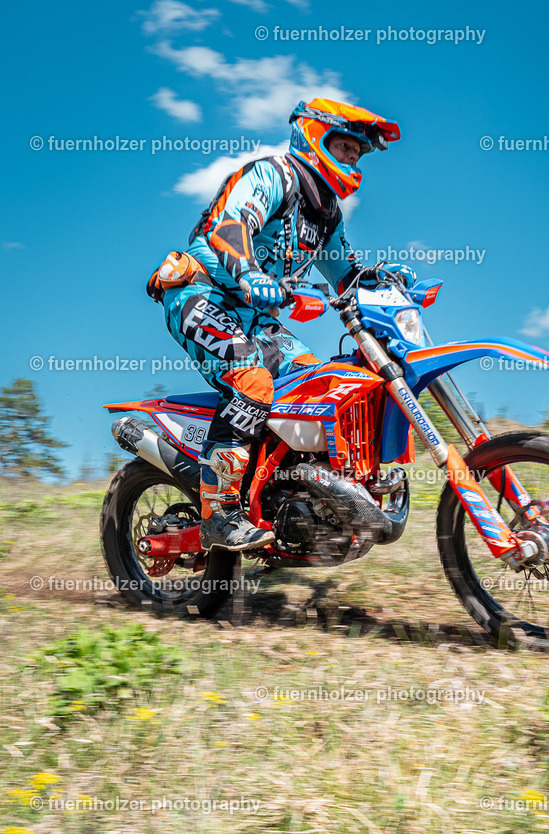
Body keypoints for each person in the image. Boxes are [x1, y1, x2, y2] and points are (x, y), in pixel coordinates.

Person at [147, 97, 415, 552]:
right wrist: (250, 274)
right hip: (201, 293)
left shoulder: (326, 211)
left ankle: (291, 503)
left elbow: (343, 275)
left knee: (315, 389)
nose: (352, 156)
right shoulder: (272, 175)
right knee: (251, 379)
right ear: (315, 136)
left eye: (358, 151)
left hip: (255, 316)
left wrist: (377, 278)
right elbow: (230, 225)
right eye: (346, 145)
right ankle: (219, 512)